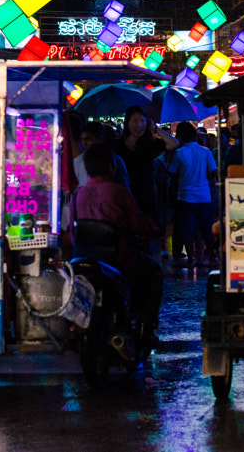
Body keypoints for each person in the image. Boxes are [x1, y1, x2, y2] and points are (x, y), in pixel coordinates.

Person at [72, 143, 163, 343]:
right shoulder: (118, 192)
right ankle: (147, 328)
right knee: (154, 272)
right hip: (118, 260)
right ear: (111, 166)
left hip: (83, 260)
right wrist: (153, 229)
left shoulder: (78, 194)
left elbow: (73, 232)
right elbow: (138, 225)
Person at [113, 106, 178, 237]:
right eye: (135, 121)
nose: (139, 125)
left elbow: (174, 143)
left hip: (146, 199)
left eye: (142, 121)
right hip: (125, 197)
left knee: (147, 237)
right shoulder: (117, 145)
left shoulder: (149, 144)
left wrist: (155, 129)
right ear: (127, 123)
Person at [169, 121, 218, 268]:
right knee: (206, 229)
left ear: (179, 137)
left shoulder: (178, 153)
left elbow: (172, 173)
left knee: (188, 230)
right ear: (195, 135)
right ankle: (212, 258)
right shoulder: (206, 152)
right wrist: (203, 178)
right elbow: (213, 171)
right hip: (204, 196)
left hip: (184, 196)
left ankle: (191, 259)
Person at [74, 121, 131, 188]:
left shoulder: (115, 160)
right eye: (82, 139)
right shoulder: (77, 161)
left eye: (88, 139)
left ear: (100, 139)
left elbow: (124, 186)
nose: (84, 143)